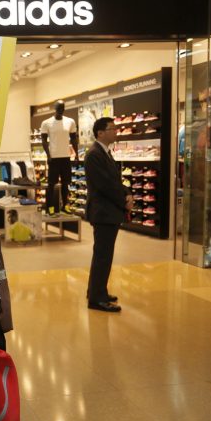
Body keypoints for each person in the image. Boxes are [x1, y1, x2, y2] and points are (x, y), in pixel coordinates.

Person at [85, 117, 132, 313]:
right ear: (100, 133)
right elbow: (104, 185)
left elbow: (113, 180)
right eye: (112, 129)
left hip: (108, 211)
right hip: (103, 212)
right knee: (103, 256)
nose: (116, 132)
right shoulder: (94, 155)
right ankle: (96, 299)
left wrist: (126, 192)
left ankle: (97, 291)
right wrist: (124, 199)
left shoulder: (104, 153)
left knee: (104, 255)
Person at [40, 99, 78, 215]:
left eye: (63, 108)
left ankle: (65, 206)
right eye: (59, 108)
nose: (61, 110)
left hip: (65, 157)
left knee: (66, 183)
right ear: (55, 109)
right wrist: (48, 155)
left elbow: (73, 138)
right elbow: (44, 140)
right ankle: (50, 208)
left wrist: (76, 154)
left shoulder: (70, 121)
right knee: (51, 184)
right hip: (54, 157)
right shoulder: (46, 123)